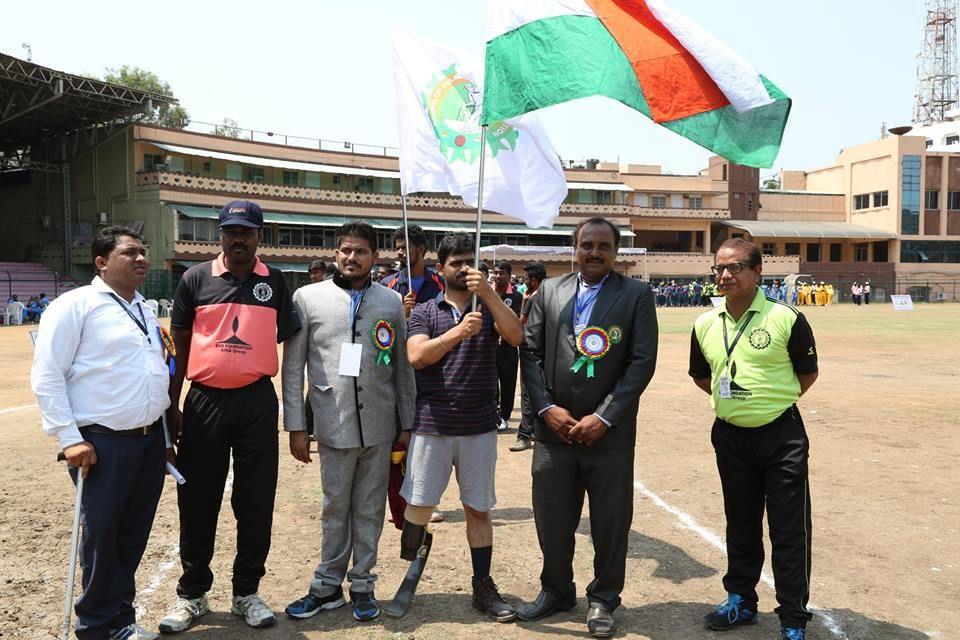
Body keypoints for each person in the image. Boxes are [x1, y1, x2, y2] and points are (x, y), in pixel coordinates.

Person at [159, 200, 301, 633]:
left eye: (246, 232)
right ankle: (192, 595)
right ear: (220, 235)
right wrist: (173, 405)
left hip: (257, 402)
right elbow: (178, 351)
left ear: (260, 236)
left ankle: (246, 593)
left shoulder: (276, 282)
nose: (237, 239)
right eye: (229, 231)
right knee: (198, 499)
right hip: (204, 403)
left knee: (256, 499)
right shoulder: (195, 279)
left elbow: (291, 344)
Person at [518, 218, 659, 638]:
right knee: (553, 518)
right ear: (573, 248)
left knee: (611, 522)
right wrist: (545, 409)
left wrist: (604, 416)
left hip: (608, 435)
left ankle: (603, 599)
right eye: (587, 245)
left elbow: (641, 362)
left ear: (616, 251)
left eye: (603, 246)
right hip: (553, 433)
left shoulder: (636, 294)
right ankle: (557, 590)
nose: (594, 253)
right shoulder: (549, 291)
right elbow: (530, 352)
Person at [32, 226, 169, 640]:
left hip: (147, 441)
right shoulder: (76, 305)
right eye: (130, 252)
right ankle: (94, 627)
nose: (141, 258)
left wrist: (162, 441)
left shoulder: (144, 307)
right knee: (103, 537)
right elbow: (47, 375)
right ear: (102, 262)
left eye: (144, 252)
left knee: (132, 536)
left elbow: (153, 374)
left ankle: (121, 620)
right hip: (102, 443)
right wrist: (69, 438)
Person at [282, 221, 416, 623]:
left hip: (379, 425)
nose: (351, 258)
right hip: (332, 423)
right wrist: (295, 425)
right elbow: (293, 368)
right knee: (335, 507)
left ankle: (362, 585)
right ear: (336, 254)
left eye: (360, 251)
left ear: (375, 257)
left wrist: (406, 422)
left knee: (370, 508)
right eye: (345, 250)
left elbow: (403, 369)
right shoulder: (307, 298)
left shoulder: (390, 302)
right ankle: (326, 586)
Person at [689, 238, 818, 640]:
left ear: (758, 271)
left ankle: (793, 617)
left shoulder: (785, 318)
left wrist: (769, 404)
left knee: (787, 529)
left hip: (781, 437)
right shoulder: (705, 323)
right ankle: (741, 600)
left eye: (735, 267)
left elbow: (807, 374)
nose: (725, 275)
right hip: (730, 438)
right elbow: (701, 376)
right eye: (719, 269)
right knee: (740, 523)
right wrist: (738, 405)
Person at [399, 233, 523, 622]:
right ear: (441, 269)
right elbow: (417, 356)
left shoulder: (487, 306)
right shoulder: (425, 311)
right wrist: (457, 332)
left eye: (470, 262)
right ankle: (411, 574)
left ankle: (482, 586)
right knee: (418, 507)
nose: (464, 268)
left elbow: (516, 335)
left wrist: (489, 295)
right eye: (456, 262)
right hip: (432, 425)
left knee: (478, 509)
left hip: (479, 428)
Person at [510, 261, 546, 453]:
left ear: (534, 280)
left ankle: (524, 435)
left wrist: (524, 301)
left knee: (527, 393)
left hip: (530, 348)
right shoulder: (549, 295)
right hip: (545, 348)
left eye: (526, 278)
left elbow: (519, 323)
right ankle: (535, 431)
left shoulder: (533, 298)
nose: (524, 282)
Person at [382, 224, 444, 318]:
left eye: (404, 248)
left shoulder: (441, 283)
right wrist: (403, 315)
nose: (399, 252)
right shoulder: (387, 285)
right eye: (398, 248)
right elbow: (381, 322)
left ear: (421, 249)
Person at [493, 260, 523, 432]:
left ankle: (505, 415)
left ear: (508, 275)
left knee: (508, 383)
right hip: (490, 347)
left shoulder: (516, 296)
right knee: (491, 381)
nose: (498, 276)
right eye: (496, 272)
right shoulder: (487, 293)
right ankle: (495, 415)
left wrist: (504, 335)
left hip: (508, 347)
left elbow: (516, 320)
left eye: (502, 273)